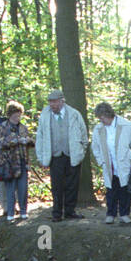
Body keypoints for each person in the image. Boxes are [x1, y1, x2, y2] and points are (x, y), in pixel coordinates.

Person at [34, 88, 91, 221]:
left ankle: (70, 211)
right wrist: (42, 157)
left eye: (54, 102)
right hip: (55, 156)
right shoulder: (44, 116)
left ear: (62, 101)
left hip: (73, 154)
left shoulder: (74, 114)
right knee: (57, 186)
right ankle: (57, 213)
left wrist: (81, 151)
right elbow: (40, 137)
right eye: (50, 102)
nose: (52, 105)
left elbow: (84, 134)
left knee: (72, 185)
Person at [91, 101, 131, 225]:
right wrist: (101, 161)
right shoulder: (98, 129)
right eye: (99, 118)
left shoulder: (125, 125)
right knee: (111, 190)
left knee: (124, 189)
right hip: (109, 164)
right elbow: (95, 147)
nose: (101, 120)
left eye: (102, 117)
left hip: (124, 163)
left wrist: (130, 157)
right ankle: (111, 214)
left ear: (108, 114)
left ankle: (124, 214)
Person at [0, 101, 33, 221]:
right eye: (15, 116)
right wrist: (11, 141)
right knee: (10, 189)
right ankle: (10, 212)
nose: (17, 118)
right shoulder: (3, 127)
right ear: (10, 115)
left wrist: (27, 141)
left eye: (19, 115)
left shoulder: (23, 127)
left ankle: (23, 211)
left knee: (23, 189)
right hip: (9, 164)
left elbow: (31, 141)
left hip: (22, 162)